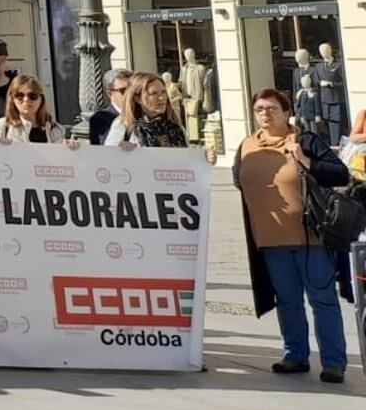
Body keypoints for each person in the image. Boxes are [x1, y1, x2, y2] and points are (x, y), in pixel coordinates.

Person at [234, 87, 353, 382]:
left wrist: (306, 161)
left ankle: (333, 362)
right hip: (270, 240)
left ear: (287, 112)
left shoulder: (305, 139)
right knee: (287, 301)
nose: (265, 114)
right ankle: (295, 356)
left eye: (272, 108)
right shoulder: (246, 145)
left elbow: (340, 174)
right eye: (259, 109)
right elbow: (240, 181)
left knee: (322, 299)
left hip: (310, 238)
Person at [106, 72, 215, 159]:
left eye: (163, 92)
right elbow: (105, 159)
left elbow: (186, 155)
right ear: (137, 98)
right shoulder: (124, 125)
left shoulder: (174, 126)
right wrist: (119, 153)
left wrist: (205, 156)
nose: (162, 98)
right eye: (154, 93)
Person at [0, 75, 65, 145]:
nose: (26, 100)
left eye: (32, 96)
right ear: (12, 99)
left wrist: (71, 148)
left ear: (41, 99)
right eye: (19, 96)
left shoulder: (55, 129)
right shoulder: (1, 127)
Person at [87, 69, 131, 145]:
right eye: (123, 90)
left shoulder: (143, 114)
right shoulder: (100, 119)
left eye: (132, 90)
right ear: (110, 94)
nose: (130, 94)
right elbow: (104, 150)